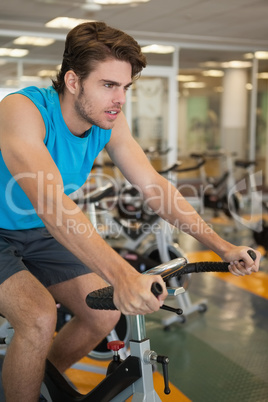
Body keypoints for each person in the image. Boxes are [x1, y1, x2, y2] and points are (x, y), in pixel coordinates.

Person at [0, 21, 260, 402]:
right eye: (108, 85)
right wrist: (123, 276)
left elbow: (155, 187)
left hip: (36, 232)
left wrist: (222, 246)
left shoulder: (110, 122)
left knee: (103, 314)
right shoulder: (22, 110)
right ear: (73, 81)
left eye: (125, 87)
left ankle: (39, 380)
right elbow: (54, 207)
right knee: (39, 317)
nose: (120, 99)